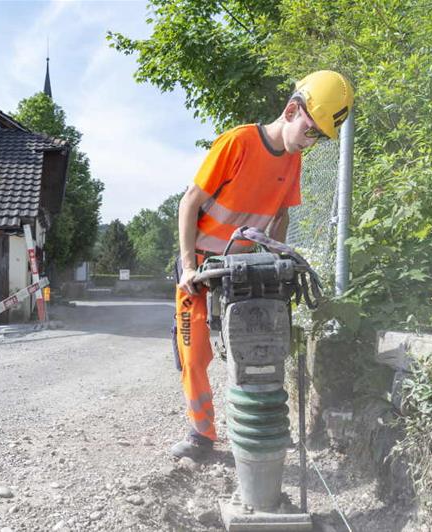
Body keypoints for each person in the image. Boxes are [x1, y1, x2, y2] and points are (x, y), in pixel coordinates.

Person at [171, 70, 355, 460]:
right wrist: (188, 266)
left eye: (319, 137)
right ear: (291, 110)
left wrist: (276, 263)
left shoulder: (293, 162)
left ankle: (259, 434)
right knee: (195, 352)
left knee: (256, 345)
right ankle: (202, 435)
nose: (311, 141)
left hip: (241, 269)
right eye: (310, 130)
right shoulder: (237, 142)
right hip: (201, 267)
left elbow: (281, 217)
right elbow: (189, 202)